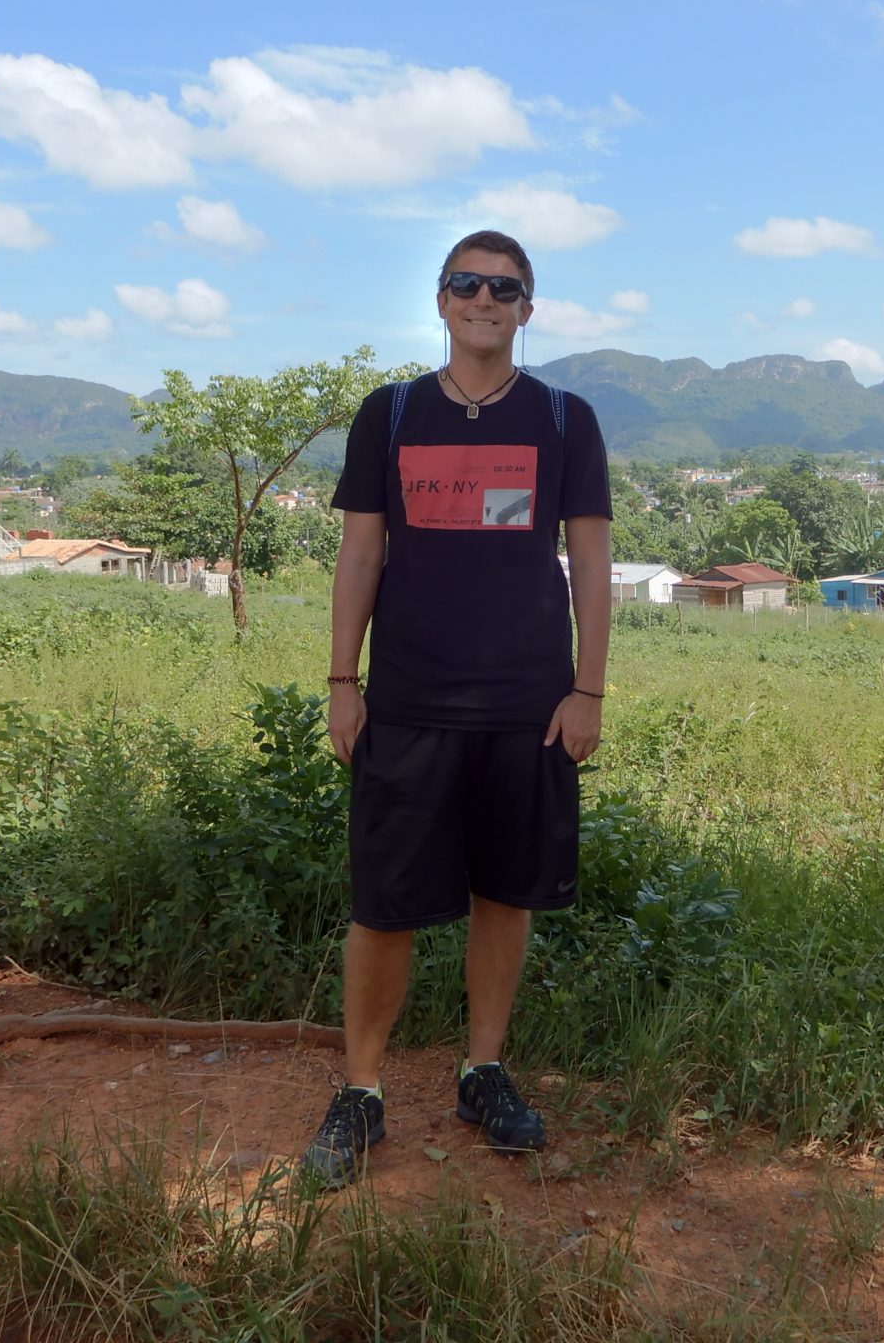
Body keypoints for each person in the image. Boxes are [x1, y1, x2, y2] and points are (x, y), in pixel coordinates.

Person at [303, 229, 612, 1189]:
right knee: (383, 904)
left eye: (504, 287)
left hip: (528, 705)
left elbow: (592, 565)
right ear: (441, 301)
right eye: (465, 284)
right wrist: (341, 681)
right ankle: (361, 1091)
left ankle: (484, 1070)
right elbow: (361, 555)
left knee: (504, 895)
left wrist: (588, 688)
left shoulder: (565, 419)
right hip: (408, 698)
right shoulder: (388, 416)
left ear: (528, 307)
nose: (484, 299)